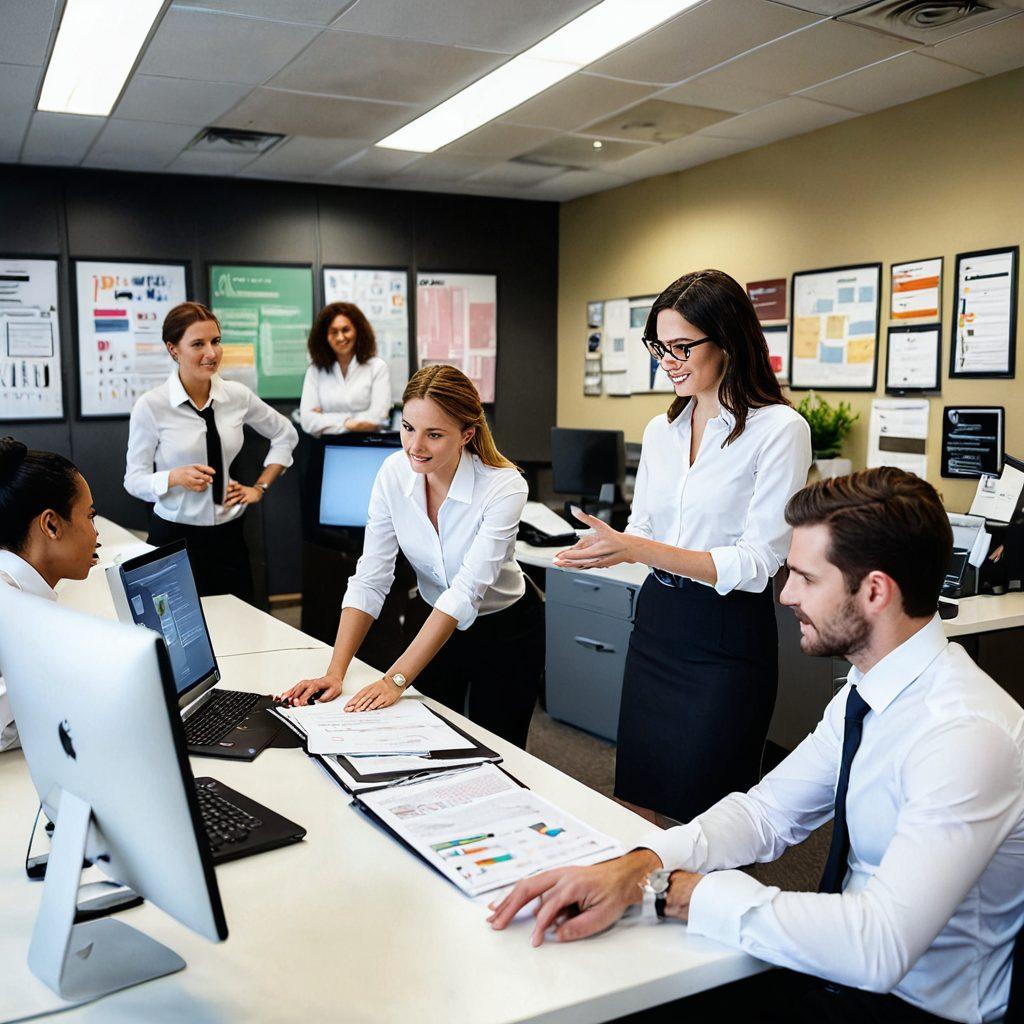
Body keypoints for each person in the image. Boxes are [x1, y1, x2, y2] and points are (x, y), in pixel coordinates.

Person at [489, 468, 1024, 1024]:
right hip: (835, 969)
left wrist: (672, 892)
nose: (786, 594)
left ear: (874, 591)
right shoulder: (870, 689)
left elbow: (879, 946)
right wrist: (642, 864)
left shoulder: (966, 734)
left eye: (806, 578)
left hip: (912, 1006)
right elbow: (766, 814)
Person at [554, 269, 811, 823]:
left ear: (728, 341)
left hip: (726, 633)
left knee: (709, 813)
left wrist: (638, 550)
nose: (667, 360)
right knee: (637, 796)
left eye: (681, 347)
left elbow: (759, 562)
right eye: (659, 346)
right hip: (659, 620)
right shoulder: (660, 431)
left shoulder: (779, 430)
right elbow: (644, 528)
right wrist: (608, 546)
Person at [281, 364, 544, 748]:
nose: (415, 447)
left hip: (505, 630)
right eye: (407, 428)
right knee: (427, 742)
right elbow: (371, 576)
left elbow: (464, 593)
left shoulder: (504, 486)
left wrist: (395, 678)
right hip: (431, 622)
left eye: (433, 435)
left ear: (466, 435)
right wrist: (336, 673)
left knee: (499, 748)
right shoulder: (392, 473)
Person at [124, 301, 298, 601]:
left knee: (240, 630)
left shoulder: (236, 395)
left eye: (216, 341)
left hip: (229, 536)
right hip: (174, 537)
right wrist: (173, 478)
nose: (211, 353)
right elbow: (133, 479)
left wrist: (259, 487)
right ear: (173, 349)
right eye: (198, 344)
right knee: (180, 636)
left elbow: (285, 434)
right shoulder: (152, 405)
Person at [0, 437, 100, 751]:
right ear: (52, 525)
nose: (96, 534)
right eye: (90, 516)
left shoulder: (23, 599)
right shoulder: (10, 608)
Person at [299, 302, 391, 436]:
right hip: (325, 448)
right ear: (325, 337)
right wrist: (350, 422)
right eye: (333, 332)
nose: (340, 337)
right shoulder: (315, 371)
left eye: (346, 330)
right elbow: (307, 421)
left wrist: (325, 418)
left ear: (358, 331)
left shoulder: (377, 367)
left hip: (368, 446)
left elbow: (378, 418)